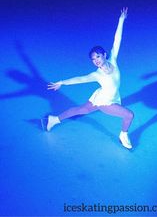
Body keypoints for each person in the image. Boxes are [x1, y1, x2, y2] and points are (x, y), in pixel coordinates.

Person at [46, 8, 134, 149]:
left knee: (81, 110)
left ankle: (54, 119)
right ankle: (123, 135)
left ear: (104, 55)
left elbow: (117, 39)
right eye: (93, 59)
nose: (96, 61)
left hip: (110, 96)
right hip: (105, 102)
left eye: (98, 57)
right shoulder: (97, 74)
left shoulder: (113, 60)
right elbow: (80, 79)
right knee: (129, 115)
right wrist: (62, 82)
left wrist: (121, 20)